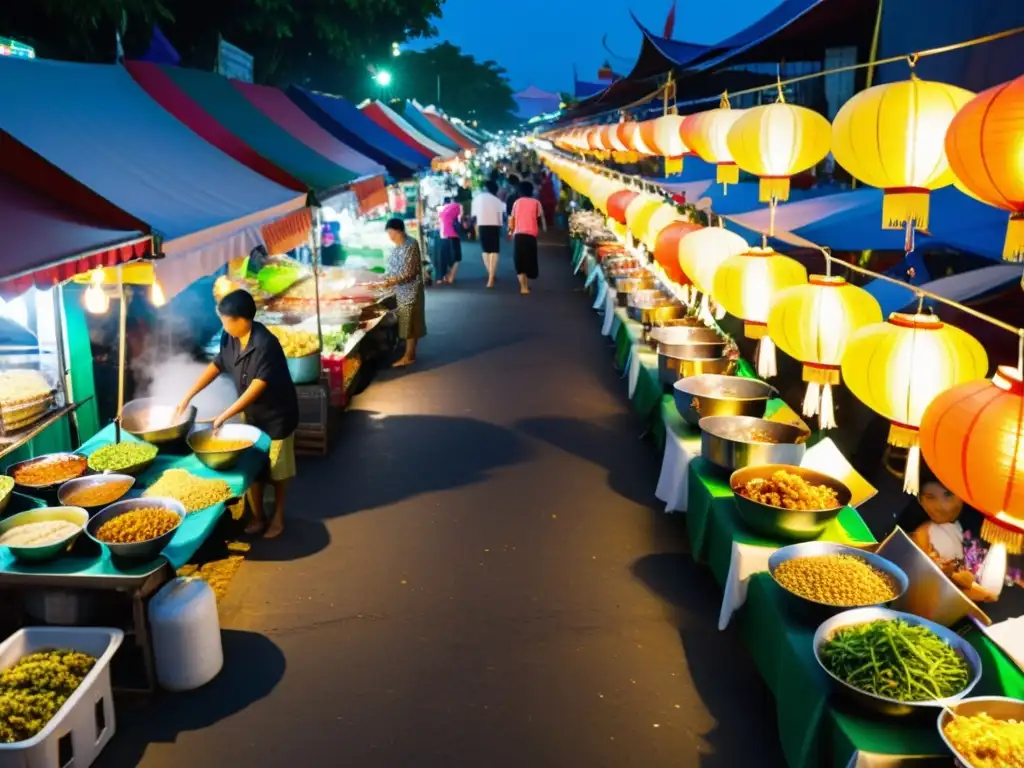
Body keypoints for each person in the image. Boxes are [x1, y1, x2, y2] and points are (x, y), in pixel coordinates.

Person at [177, 290, 299, 539]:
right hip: (252, 415)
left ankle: (278, 517)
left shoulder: (266, 344)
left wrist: (225, 414)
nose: (223, 324)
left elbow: (258, 386)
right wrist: (189, 394)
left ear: (242, 319)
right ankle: (258, 516)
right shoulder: (230, 336)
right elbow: (218, 364)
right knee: (254, 465)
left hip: (277, 416)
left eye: (225, 320)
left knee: (278, 470)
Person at [380, 218, 426, 366]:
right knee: (408, 323)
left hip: (411, 289)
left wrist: (390, 282)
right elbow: (391, 269)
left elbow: (408, 272)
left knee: (410, 323)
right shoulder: (396, 248)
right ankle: (409, 354)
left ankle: (409, 356)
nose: (390, 236)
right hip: (401, 290)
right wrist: (385, 279)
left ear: (398, 231)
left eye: (390, 232)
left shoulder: (410, 245)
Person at [508, 181, 546, 295]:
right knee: (529, 259)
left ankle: (523, 286)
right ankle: (525, 285)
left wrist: (510, 231)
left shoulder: (517, 203)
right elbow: (541, 217)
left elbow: (512, 218)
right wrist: (544, 229)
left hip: (519, 234)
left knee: (519, 260)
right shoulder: (536, 203)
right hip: (531, 235)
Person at [472, 180, 505, 288]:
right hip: (494, 226)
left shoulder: (478, 198)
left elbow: (474, 215)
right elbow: (501, 219)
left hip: (482, 225)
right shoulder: (497, 201)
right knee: (494, 251)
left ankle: (491, 274)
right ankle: (491, 276)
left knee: (485, 251)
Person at [436, 196, 463, 285]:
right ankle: (451, 277)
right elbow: (460, 218)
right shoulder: (458, 206)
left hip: (443, 235)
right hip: (453, 235)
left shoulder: (442, 209)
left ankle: (444, 276)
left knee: (446, 257)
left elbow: (439, 221)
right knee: (457, 257)